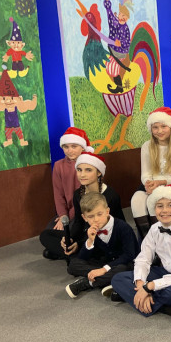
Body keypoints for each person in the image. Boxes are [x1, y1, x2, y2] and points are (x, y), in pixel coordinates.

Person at [111, 185, 171, 322]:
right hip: (165, 270)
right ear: (154, 209)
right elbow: (143, 258)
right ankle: (168, 309)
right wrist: (140, 284)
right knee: (118, 279)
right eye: (159, 206)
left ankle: (133, 298)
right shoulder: (154, 229)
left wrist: (149, 287)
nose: (165, 210)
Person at [39, 152, 125, 260]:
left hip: (103, 237)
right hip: (85, 234)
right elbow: (78, 222)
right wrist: (70, 238)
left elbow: (113, 229)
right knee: (45, 235)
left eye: (88, 170)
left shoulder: (110, 195)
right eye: (79, 170)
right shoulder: (78, 194)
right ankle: (71, 252)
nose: (82, 175)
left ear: (99, 173)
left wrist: (81, 244)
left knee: (95, 250)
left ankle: (71, 255)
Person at [65, 193, 139, 299]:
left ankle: (88, 283)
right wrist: (90, 241)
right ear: (84, 217)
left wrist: (104, 269)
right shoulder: (91, 230)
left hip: (125, 263)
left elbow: (129, 255)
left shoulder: (123, 227)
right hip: (106, 262)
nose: (96, 219)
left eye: (99, 214)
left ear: (107, 211)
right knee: (73, 265)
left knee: (123, 269)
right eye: (91, 216)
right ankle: (108, 280)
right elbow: (82, 258)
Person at [130, 106, 171, 239]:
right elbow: (145, 174)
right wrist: (148, 184)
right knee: (136, 200)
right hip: (151, 184)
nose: (159, 131)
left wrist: (159, 183)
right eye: (155, 127)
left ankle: (162, 238)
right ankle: (148, 239)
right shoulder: (147, 146)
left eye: (163, 126)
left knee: (155, 201)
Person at [39, 127, 90, 259]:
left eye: (74, 146)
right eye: (66, 147)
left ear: (82, 147)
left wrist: (70, 217)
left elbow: (85, 198)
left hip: (83, 213)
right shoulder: (58, 166)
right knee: (48, 232)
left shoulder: (89, 165)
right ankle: (66, 249)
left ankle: (66, 251)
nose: (69, 150)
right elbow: (58, 194)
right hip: (67, 213)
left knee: (73, 231)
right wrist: (63, 216)